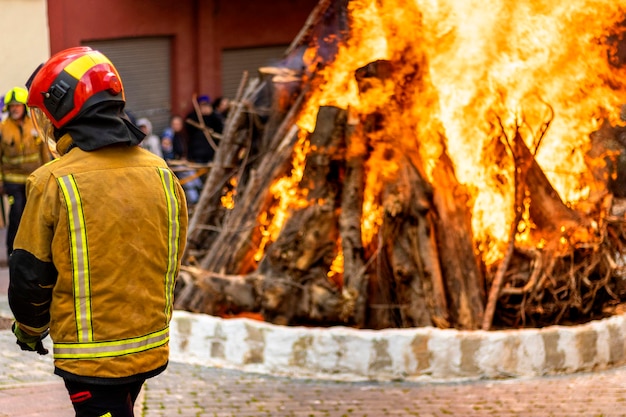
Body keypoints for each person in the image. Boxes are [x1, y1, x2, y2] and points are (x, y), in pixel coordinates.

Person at [8, 46, 188, 417]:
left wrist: (29, 328)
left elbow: (31, 274)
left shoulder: (52, 181)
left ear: (62, 111)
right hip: (149, 348)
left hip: (90, 360)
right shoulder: (162, 173)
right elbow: (171, 255)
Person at [0, 86, 51, 257]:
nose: (15, 108)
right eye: (12, 105)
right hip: (12, 182)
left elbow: (44, 153)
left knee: (36, 217)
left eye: (18, 105)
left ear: (24, 107)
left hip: (34, 180)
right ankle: (12, 253)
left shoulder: (36, 124)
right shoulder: (2, 128)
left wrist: (48, 177)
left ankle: (35, 254)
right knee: (16, 214)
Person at [185, 94, 223, 164]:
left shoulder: (214, 116)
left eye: (206, 105)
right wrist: (199, 114)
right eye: (202, 105)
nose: (204, 107)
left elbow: (220, 129)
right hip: (197, 152)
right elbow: (189, 129)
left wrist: (211, 114)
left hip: (210, 151)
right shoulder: (193, 116)